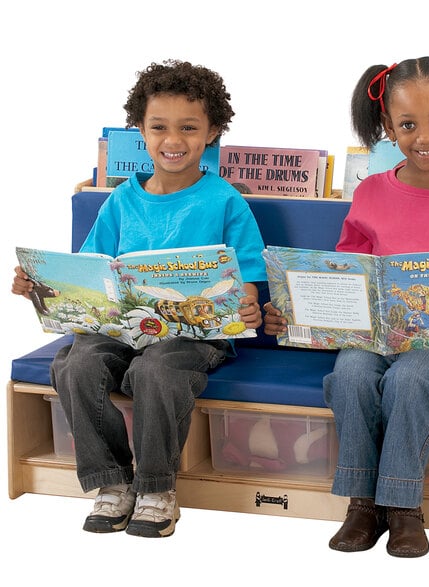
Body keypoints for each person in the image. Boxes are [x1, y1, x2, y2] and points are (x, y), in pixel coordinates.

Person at [264, 53, 429, 557]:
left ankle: (403, 507)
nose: (425, 137)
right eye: (408, 124)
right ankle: (363, 503)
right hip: (374, 336)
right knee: (353, 376)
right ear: (388, 126)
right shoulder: (371, 194)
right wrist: (298, 311)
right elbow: (344, 277)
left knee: (408, 380)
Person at [12, 60, 267, 538]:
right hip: (121, 328)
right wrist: (39, 287)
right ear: (142, 132)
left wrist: (247, 304)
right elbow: (88, 275)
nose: (174, 140)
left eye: (189, 128)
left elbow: (247, 279)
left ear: (211, 131)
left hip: (193, 334)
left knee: (155, 370)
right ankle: (111, 481)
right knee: (75, 364)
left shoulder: (227, 201)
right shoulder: (121, 200)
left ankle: (156, 486)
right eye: (159, 127)